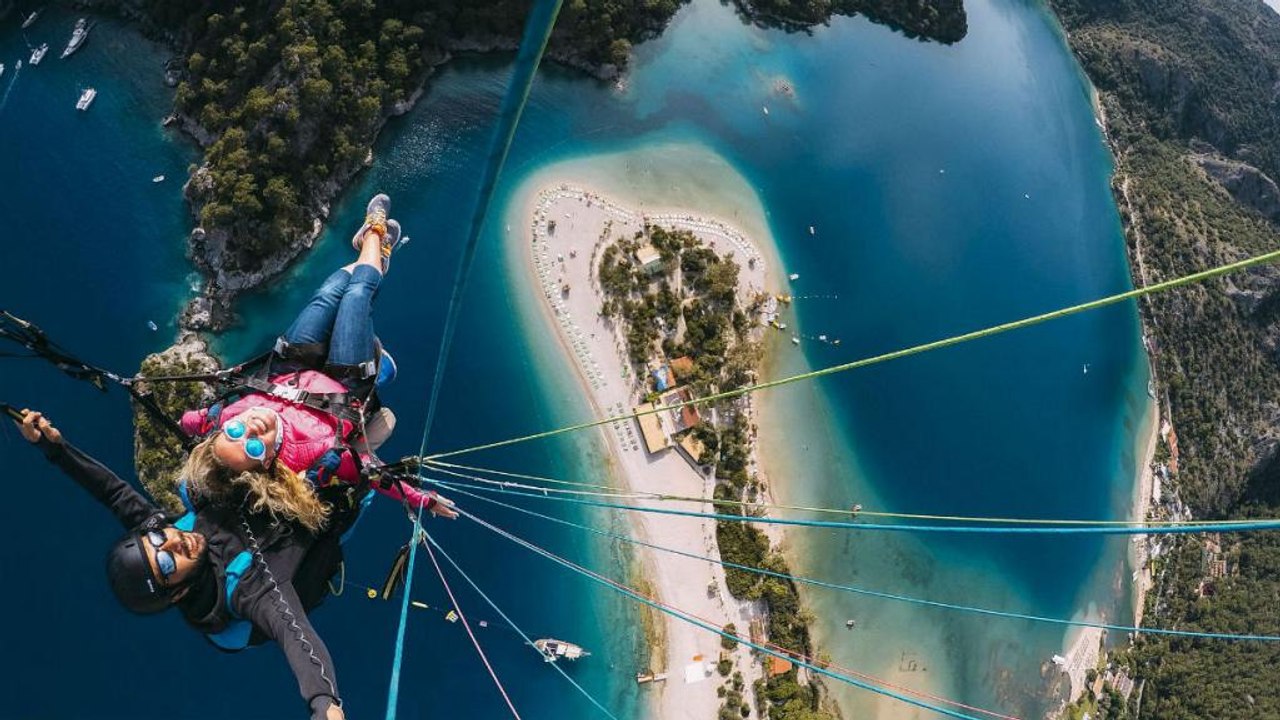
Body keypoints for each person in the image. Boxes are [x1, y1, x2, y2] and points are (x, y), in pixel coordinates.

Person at [16, 408, 377, 719]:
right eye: (168, 566)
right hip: (317, 509)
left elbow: (112, 493)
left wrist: (52, 447)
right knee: (356, 452)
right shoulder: (250, 591)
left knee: (197, 487)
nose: (173, 543)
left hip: (270, 491)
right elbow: (296, 636)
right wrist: (324, 703)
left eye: (157, 539)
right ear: (178, 593)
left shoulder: (170, 533)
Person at [179, 193, 448, 529]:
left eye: (235, 431)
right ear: (267, 466)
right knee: (357, 295)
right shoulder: (309, 460)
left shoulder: (219, 419)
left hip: (288, 366)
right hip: (344, 386)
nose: (249, 428)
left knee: (330, 289)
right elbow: (372, 474)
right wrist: (422, 499)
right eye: (253, 447)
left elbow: (187, 421)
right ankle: (374, 233)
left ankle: (374, 252)